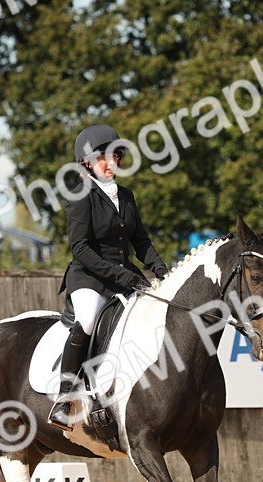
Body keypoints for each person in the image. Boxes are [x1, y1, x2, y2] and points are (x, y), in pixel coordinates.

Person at [48, 124, 169, 431]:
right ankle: (65, 397)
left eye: (115, 155)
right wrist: (120, 275)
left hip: (125, 277)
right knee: (87, 320)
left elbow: (141, 242)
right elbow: (81, 249)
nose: (110, 161)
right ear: (87, 162)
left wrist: (162, 271)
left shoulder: (126, 196)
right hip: (88, 277)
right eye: (103, 157)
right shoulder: (80, 196)